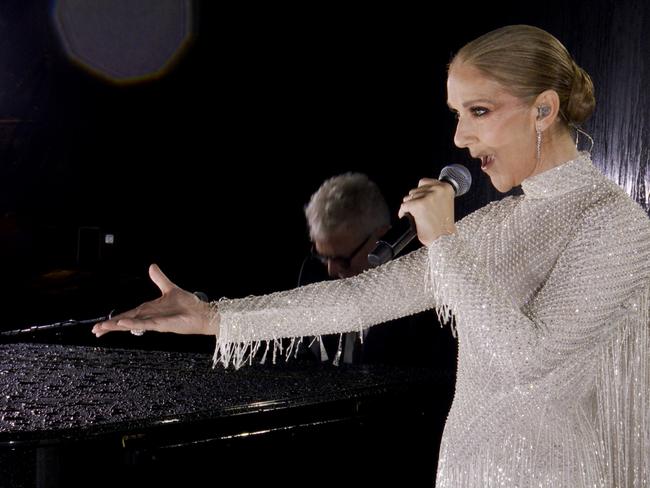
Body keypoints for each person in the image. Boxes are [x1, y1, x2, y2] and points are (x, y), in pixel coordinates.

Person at [93, 25, 650, 487]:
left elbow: (529, 360)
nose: (459, 137)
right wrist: (214, 317)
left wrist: (446, 244)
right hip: (466, 472)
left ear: (543, 110)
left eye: (478, 111)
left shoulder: (612, 221)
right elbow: (360, 298)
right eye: (456, 114)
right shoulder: (499, 222)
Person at [300, 171, 450, 367]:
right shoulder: (312, 275)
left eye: (343, 259)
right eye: (323, 256)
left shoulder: (425, 300)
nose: (331, 270)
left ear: (382, 237)